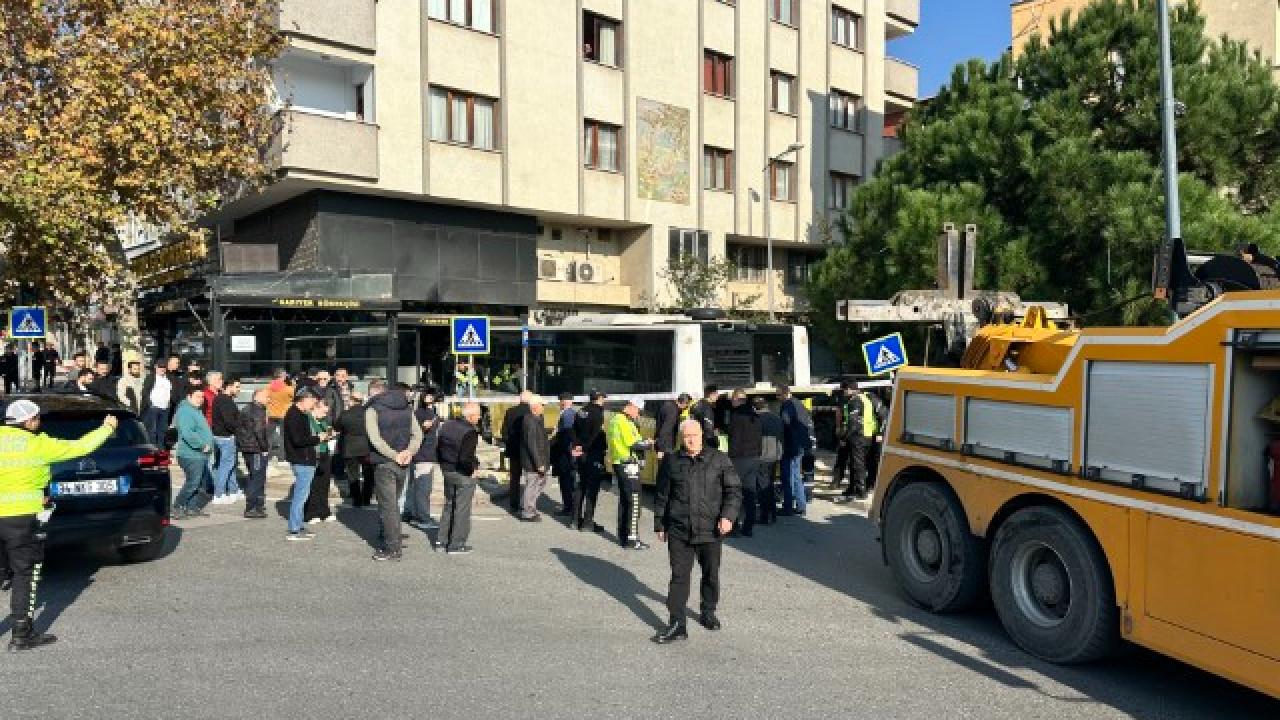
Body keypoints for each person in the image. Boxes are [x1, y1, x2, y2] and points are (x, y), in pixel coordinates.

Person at [0, 399, 117, 651]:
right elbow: (81, 446)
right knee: (24, 574)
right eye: (37, 418)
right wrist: (107, 428)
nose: (39, 422)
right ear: (28, 421)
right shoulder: (38, 444)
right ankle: (21, 635)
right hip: (22, 518)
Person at [652, 419, 742, 645]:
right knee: (679, 577)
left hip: (710, 530)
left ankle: (708, 611)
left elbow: (734, 491)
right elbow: (662, 495)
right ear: (681, 439)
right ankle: (677, 623)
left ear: (702, 434)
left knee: (710, 574)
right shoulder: (672, 461)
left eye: (694, 435)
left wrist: (728, 516)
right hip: (679, 530)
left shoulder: (719, 459)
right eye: (686, 436)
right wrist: (660, 523)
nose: (691, 440)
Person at [365, 378, 422, 561]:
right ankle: (390, 536)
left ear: (374, 393)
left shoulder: (373, 410)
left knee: (388, 506)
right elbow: (417, 434)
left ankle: (392, 548)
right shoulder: (406, 407)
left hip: (385, 462)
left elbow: (375, 439)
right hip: (404, 461)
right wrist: (409, 452)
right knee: (394, 504)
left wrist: (394, 454)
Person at [283, 388, 330, 542]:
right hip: (301, 459)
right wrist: (318, 438)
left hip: (305, 458)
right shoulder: (294, 415)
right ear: (304, 399)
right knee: (300, 497)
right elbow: (298, 440)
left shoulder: (300, 414)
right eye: (313, 401)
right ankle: (294, 530)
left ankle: (299, 525)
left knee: (303, 495)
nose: (314, 405)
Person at [607, 397, 653, 549]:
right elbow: (633, 443)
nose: (638, 414)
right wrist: (649, 444)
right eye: (638, 411)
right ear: (631, 406)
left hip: (620, 463)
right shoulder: (623, 421)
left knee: (625, 501)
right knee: (634, 501)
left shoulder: (617, 419)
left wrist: (643, 441)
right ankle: (632, 539)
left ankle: (623, 536)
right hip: (627, 464)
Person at [436, 402, 481, 554]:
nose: (479, 417)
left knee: (449, 505)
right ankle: (456, 544)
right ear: (471, 416)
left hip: (447, 469)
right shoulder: (470, 432)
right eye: (478, 415)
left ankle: (441, 541)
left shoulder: (447, 425)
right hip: (461, 472)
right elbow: (465, 458)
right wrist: (472, 470)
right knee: (462, 509)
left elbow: (439, 447)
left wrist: (443, 465)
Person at [834, 380, 887, 503]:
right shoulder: (865, 398)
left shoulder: (855, 401)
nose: (843, 393)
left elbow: (853, 424)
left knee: (857, 465)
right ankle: (853, 489)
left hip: (857, 437)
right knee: (860, 464)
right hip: (868, 436)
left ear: (849, 389)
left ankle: (860, 491)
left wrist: (844, 437)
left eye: (844, 390)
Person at [171, 385, 214, 519]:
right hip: (190, 454)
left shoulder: (195, 410)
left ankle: (191, 507)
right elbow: (187, 433)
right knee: (193, 482)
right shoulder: (186, 411)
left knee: (198, 482)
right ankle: (177, 506)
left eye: (202, 397)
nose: (200, 399)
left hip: (199, 454)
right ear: (189, 396)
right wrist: (201, 445)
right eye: (197, 396)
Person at [726, 389, 764, 537]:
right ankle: (748, 528)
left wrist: (730, 457)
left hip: (739, 458)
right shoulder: (755, 415)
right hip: (754, 458)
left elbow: (734, 438)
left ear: (737, 399)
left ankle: (734, 527)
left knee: (734, 492)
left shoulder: (737, 415)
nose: (731, 402)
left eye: (732, 399)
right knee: (750, 494)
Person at [572, 390, 608, 533]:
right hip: (593, 454)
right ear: (599, 398)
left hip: (580, 453)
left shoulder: (581, 411)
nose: (604, 401)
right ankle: (587, 522)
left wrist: (577, 445)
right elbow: (595, 434)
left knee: (580, 486)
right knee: (592, 489)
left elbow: (574, 430)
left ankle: (575, 520)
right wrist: (586, 447)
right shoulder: (598, 413)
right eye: (603, 398)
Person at [406, 390, 442, 530]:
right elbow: (415, 432)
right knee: (423, 488)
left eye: (431, 395)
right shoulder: (420, 413)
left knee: (419, 487)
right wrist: (423, 427)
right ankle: (423, 517)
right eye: (427, 395)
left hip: (427, 454)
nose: (429, 397)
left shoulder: (432, 411)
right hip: (423, 455)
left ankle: (416, 515)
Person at [778, 384, 813, 517]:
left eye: (778, 395)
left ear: (785, 394)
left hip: (790, 446)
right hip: (800, 445)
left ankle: (788, 507)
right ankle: (801, 506)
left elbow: (785, 423)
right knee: (797, 476)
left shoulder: (787, 405)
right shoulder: (799, 404)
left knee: (788, 477)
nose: (777, 398)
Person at [337, 389, 375, 507]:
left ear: (352, 400)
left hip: (350, 447)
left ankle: (357, 500)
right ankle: (366, 499)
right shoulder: (368, 414)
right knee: (368, 474)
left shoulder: (345, 414)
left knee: (352, 475)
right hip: (366, 447)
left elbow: (337, 426)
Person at [236, 388, 271, 519]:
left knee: (254, 476)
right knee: (257, 478)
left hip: (248, 448)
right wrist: (264, 448)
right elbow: (259, 431)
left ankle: (258, 505)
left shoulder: (247, 408)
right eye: (266, 397)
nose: (268, 399)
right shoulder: (257, 411)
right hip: (256, 449)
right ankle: (251, 507)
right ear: (257, 397)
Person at [209, 377, 243, 505]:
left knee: (229, 465)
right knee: (225, 466)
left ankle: (234, 490)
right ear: (229, 386)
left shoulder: (221, 398)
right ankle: (219, 494)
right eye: (237, 387)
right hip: (226, 437)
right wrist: (238, 431)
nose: (239, 390)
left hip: (220, 436)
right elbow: (229, 421)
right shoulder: (225, 400)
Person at [518, 395, 550, 522]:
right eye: (542, 405)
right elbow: (532, 444)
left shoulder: (537, 418)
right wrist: (539, 463)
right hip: (533, 461)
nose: (543, 407)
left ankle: (526, 505)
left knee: (540, 482)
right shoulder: (530, 421)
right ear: (535, 406)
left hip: (537, 459)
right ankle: (528, 511)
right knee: (532, 484)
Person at [304, 399, 337, 524]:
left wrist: (330, 434)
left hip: (324, 453)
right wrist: (321, 436)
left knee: (324, 483)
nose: (325, 415)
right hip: (313, 454)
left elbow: (326, 433)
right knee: (313, 484)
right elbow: (309, 437)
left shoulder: (322, 420)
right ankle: (310, 513)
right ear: (316, 408)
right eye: (324, 412)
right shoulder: (308, 419)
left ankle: (324, 511)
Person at [500, 390, 532, 514]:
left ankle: (514, 504)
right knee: (530, 478)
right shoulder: (532, 412)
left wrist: (509, 443)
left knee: (514, 478)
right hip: (528, 450)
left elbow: (504, 432)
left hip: (514, 450)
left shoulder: (510, 411)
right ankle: (527, 504)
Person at [550, 392, 578, 516]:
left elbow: (566, 436)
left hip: (565, 455)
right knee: (569, 481)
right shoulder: (572, 413)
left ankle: (568, 507)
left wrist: (554, 439)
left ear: (562, 402)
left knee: (566, 481)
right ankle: (571, 506)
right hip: (568, 454)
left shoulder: (567, 415)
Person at [756, 396, 783, 526]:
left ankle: (765, 516)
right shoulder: (777, 419)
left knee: (762, 487)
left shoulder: (756, 419)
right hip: (774, 456)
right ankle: (773, 514)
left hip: (761, 456)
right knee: (769, 485)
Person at [139, 359, 172, 446]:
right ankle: (152, 449)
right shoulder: (151, 377)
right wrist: (150, 404)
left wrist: (169, 404)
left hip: (165, 408)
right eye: (160, 367)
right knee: (151, 430)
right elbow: (144, 391)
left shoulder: (168, 378)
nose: (162, 369)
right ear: (156, 367)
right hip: (153, 408)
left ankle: (161, 449)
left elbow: (170, 392)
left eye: (164, 367)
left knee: (162, 430)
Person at [830, 382, 856, 489]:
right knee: (843, 457)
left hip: (850, 431)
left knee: (846, 458)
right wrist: (838, 428)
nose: (843, 391)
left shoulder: (850, 399)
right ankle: (837, 481)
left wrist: (838, 428)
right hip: (847, 431)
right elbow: (839, 413)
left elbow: (839, 413)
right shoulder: (845, 398)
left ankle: (839, 482)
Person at [266, 369, 294, 463]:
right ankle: (282, 456)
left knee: (269, 436)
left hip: (271, 414)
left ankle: (268, 455)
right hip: (284, 415)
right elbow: (295, 397)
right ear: (282, 376)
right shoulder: (288, 388)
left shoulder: (269, 387)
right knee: (283, 436)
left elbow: (266, 398)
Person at [690, 385, 721, 449]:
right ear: (710, 394)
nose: (718, 396)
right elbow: (708, 428)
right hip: (706, 443)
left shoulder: (695, 405)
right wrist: (714, 442)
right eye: (716, 394)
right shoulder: (707, 408)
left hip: (696, 439)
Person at [164, 355, 184, 424]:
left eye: (178, 363)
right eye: (176, 363)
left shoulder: (178, 375)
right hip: (166, 405)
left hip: (176, 405)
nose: (178, 365)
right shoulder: (163, 375)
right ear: (169, 363)